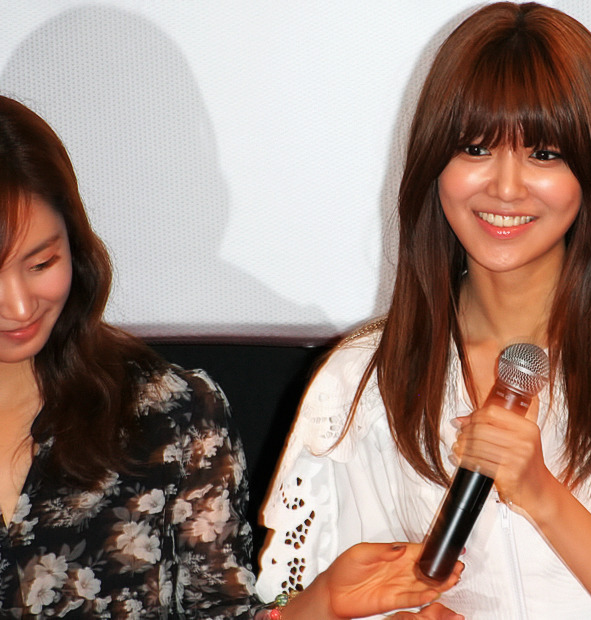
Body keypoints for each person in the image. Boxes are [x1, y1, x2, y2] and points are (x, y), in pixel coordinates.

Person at [258, 3, 591, 619]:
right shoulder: (360, 379)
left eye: (544, 154)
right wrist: (332, 605)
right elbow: (296, 599)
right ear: (434, 163)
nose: (505, 186)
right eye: (475, 148)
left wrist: (542, 494)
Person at [0, 94, 461, 619]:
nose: (20, 306)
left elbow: (219, 610)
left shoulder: (170, 413)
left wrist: (324, 603)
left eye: (42, 263)